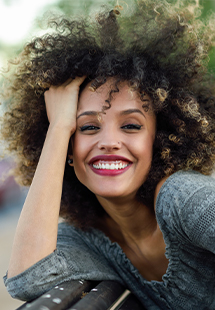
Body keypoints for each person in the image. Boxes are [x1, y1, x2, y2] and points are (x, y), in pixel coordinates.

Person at [2, 0, 215, 309]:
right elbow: (26, 278)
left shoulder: (183, 198)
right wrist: (60, 127)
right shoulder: (88, 238)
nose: (109, 142)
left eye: (130, 125)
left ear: (158, 141)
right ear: (69, 150)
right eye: (88, 127)